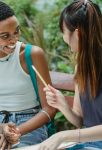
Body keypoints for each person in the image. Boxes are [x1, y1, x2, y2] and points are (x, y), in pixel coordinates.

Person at [0, 1, 56, 150]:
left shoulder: (32, 55)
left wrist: (15, 131)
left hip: (30, 125)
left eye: (16, 31)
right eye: (5, 36)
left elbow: (49, 109)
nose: (14, 39)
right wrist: (1, 128)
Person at [39, 0, 102, 150]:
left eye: (64, 32)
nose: (64, 38)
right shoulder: (81, 67)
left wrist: (63, 136)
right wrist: (62, 104)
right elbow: (80, 121)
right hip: (87, 144)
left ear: (78, 34)